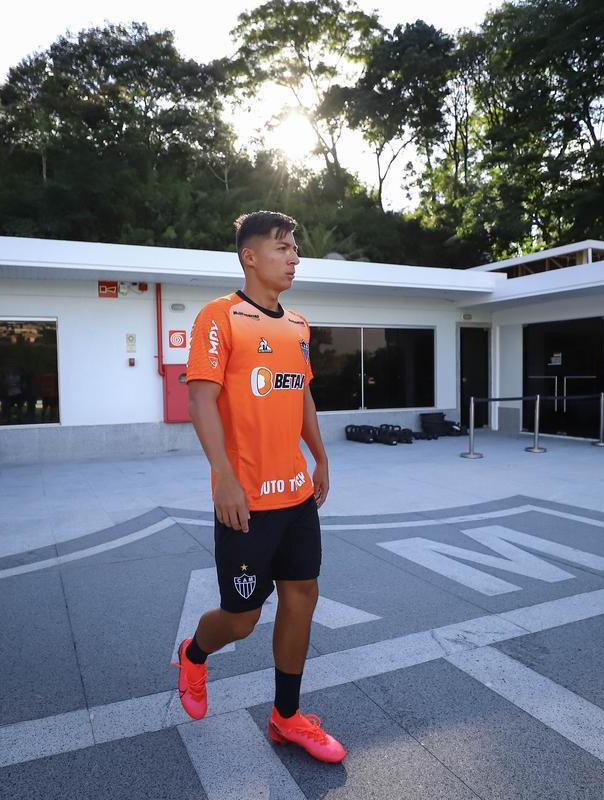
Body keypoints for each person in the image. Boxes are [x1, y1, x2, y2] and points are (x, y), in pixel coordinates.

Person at [172, 210, 345, 763]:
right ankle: (195, 654)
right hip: (246, 500)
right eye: (282, 247)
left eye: (295, 247)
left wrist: (319, 457)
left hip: (297, 496)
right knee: (242, 619)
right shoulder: (218, 318)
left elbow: (302, 398)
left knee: (302, 597)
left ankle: (286, 717)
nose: (294, 256)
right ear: (250, 256)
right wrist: (223, 476)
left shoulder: (298, 324)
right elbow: (200, 398)